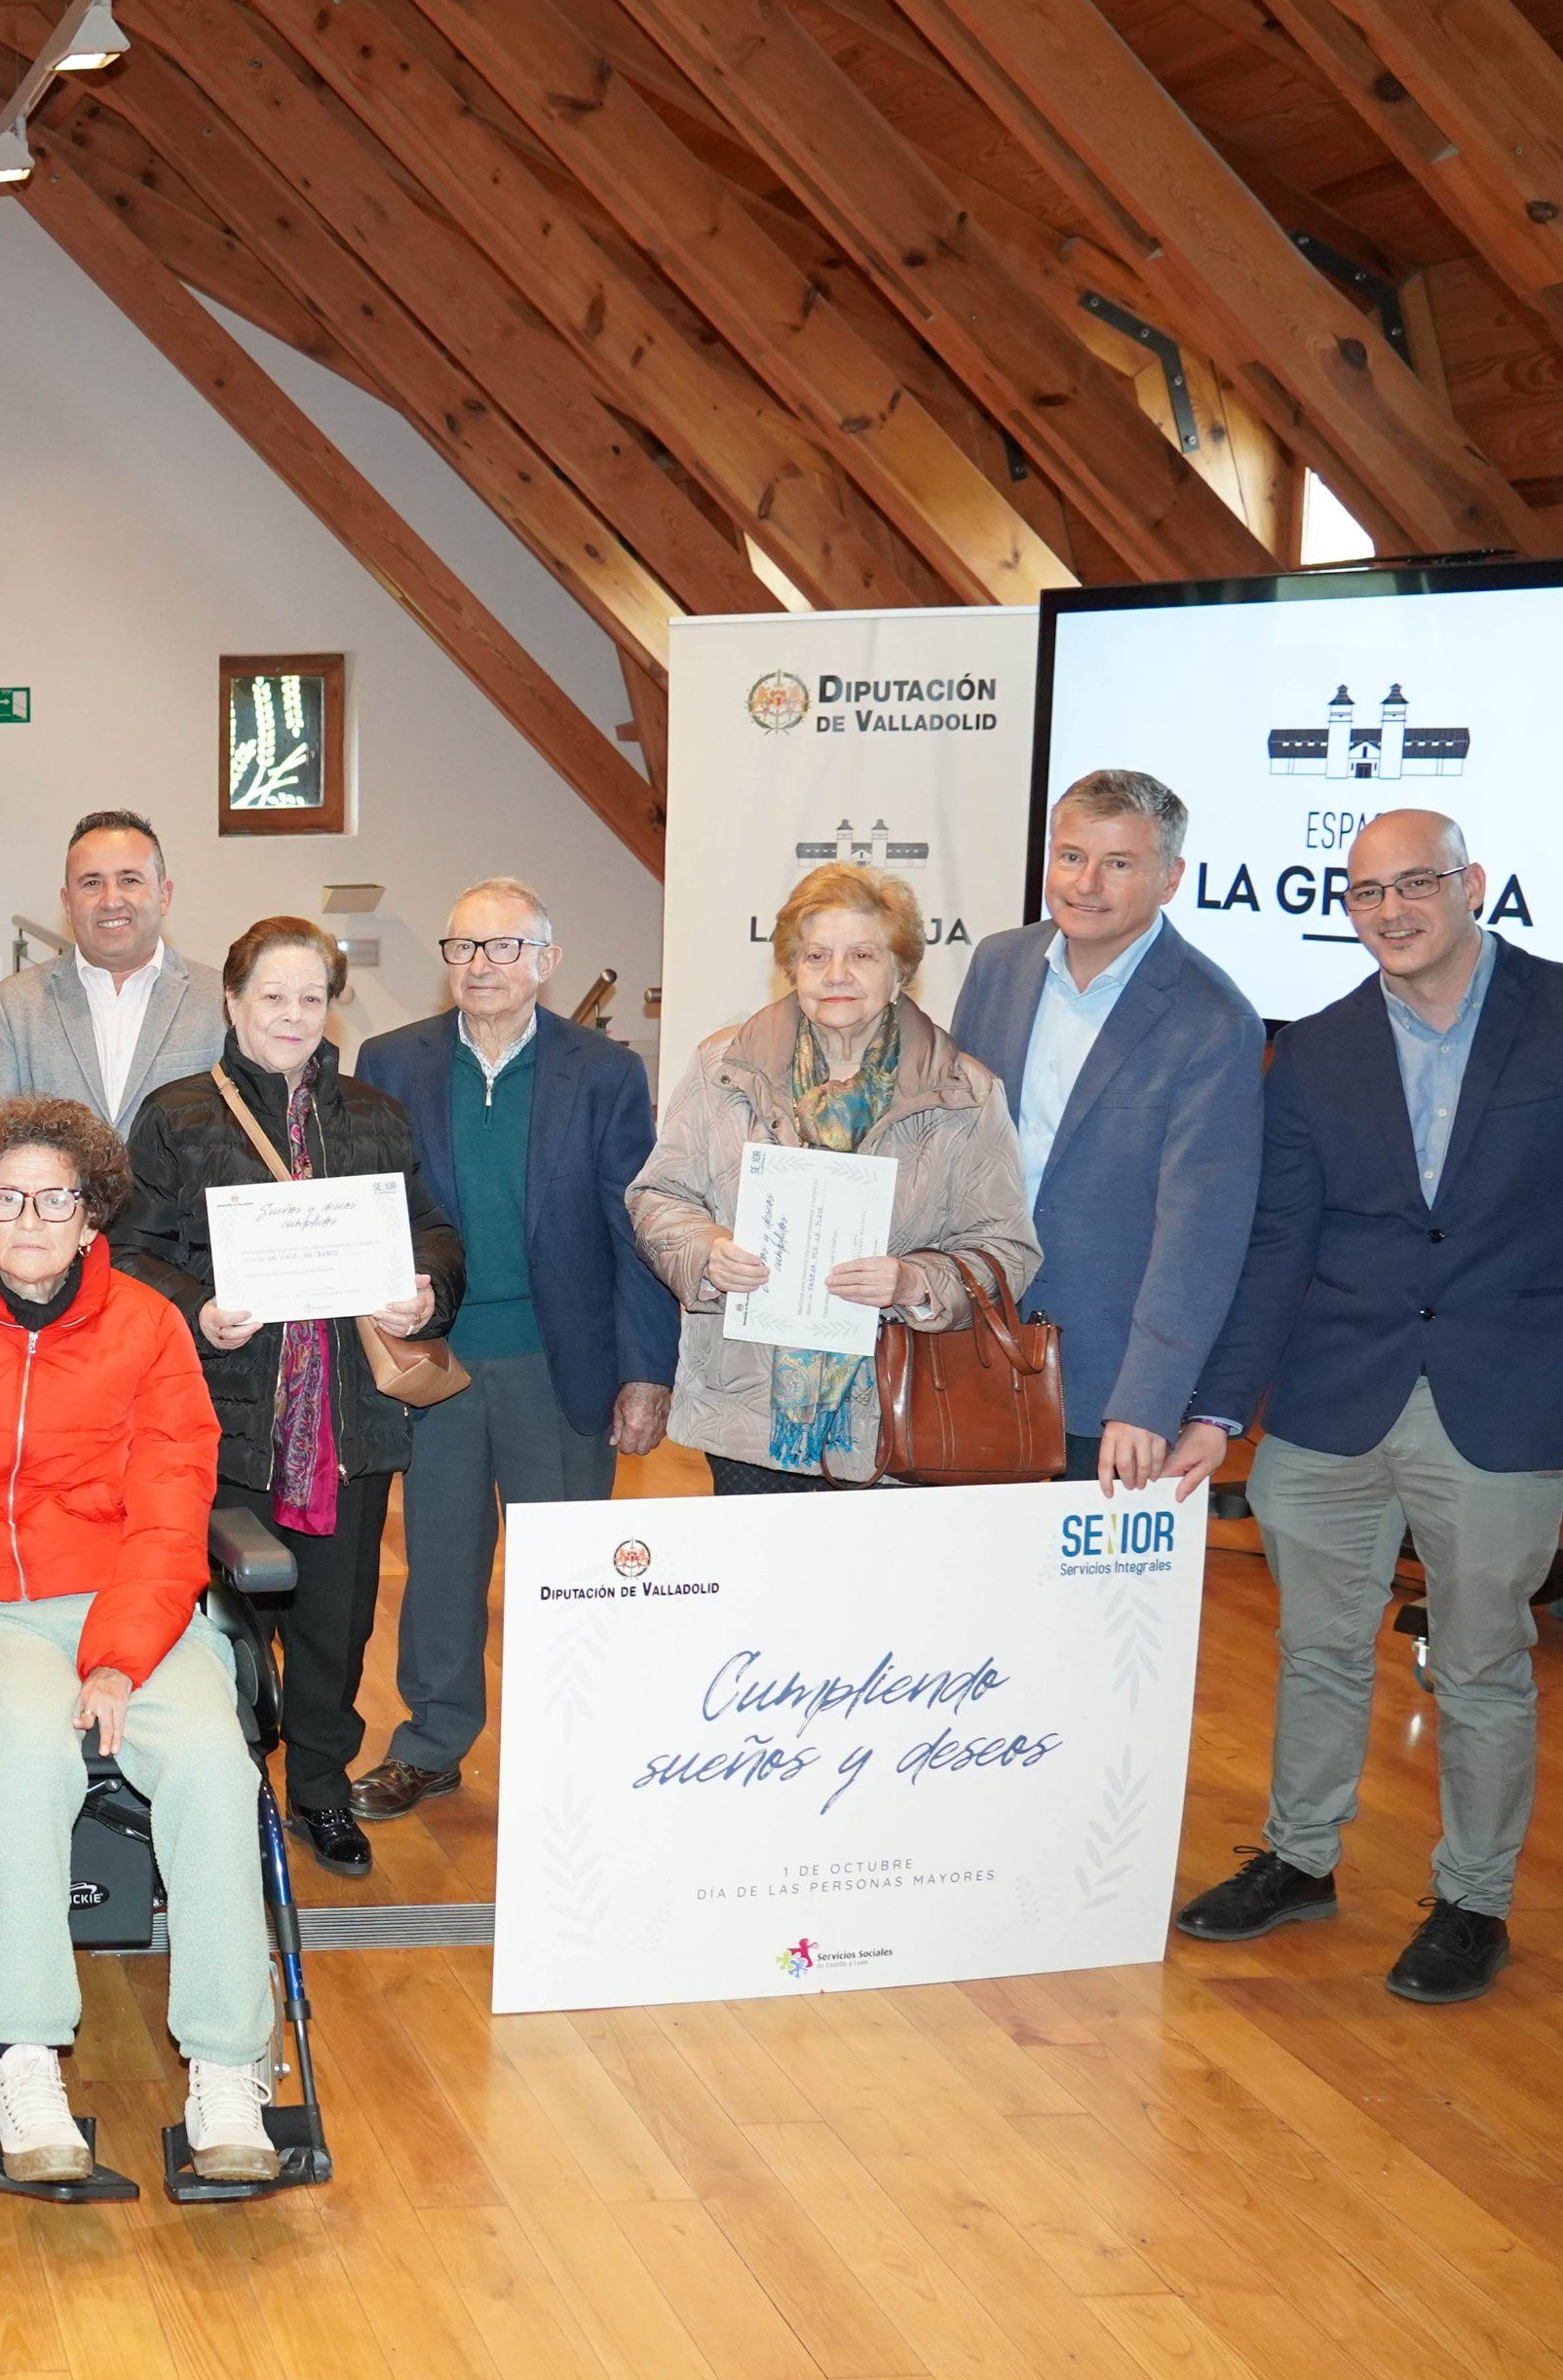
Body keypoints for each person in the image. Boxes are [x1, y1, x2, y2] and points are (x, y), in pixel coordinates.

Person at [0, 1097, 279, 2183]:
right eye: (5, 1198)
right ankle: (27, 2055)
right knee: (28, 1756)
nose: (29, 1219)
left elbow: (175, 1503)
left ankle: (228, 2067)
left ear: (93, 1219)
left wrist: (122, 1654)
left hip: (130, 1596)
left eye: (55, 1198)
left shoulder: (145, 1326)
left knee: (215, 1765)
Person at [1166, 811, 1562, 2007]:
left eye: (1415, 884)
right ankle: (1298, 1859)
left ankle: (1473, 1901)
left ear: (1472, 884)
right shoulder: (1320, 1049)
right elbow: (1278, 1241)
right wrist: (1220, 1408)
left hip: (1503, 1401)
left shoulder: (1554, 1015)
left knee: (1483, 1665)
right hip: (1334, 1401)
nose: (1390, 910)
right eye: (1363, 892)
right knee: (1315, 1647)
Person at [114, 918, 459, 1878]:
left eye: (312, 997)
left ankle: (317, 1790)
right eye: (274, 996)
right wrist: (196, 1309)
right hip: (220, 1421)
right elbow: (127, 1253)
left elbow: (428, 1227)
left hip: (348, 1420)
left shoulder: (376, 1117)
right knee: (219, 1623)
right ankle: (211, 1795)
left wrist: (424, 1285)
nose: (294, 1015)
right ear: (232, 1002)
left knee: (336, 1623)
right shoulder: (178, 1115)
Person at [348, 878, 674, 1824]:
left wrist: (645, 1370)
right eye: (463, 947)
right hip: (435, 1363)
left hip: (559, 1361)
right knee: (440, 1565)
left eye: (502, 947)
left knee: (564, 1568)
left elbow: (637, 1230)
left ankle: (570, 1746)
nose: (480, 966)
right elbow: (374, 1209)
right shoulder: (390, 1059)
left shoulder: (605, 1071)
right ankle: (429, 1745)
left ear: (546, 959)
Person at [629, 861, 1038, 1497]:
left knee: (875, 1598)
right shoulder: (722, 1067)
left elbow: (1007, 1249)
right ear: (791, 966)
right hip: (748, 1417)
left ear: (900, 969)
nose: (837, 974)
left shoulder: (965, 1091)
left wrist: (913, 1280)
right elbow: (659, 1197)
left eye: (862, 954)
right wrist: (706, 1253)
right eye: (817, 955)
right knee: (760, 1596)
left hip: (896, 1418)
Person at [949, 769, 1264, 1489]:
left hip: (1106, 1391)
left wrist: (1148, 1399)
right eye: (1071, 856)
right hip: (965, 1353)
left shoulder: (1214, 1020)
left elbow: (1200, 1235)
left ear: (1171, 877)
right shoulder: (999, 964)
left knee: (1077, 1602)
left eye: (1118, 863)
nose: (1086, 883)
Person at [0, 809, 225, 1123]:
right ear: (67, 904)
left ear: (164, 895)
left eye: (129, 880)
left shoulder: (220, 1003)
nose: (111, 900)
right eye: (91, 883)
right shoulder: (14, 1008)